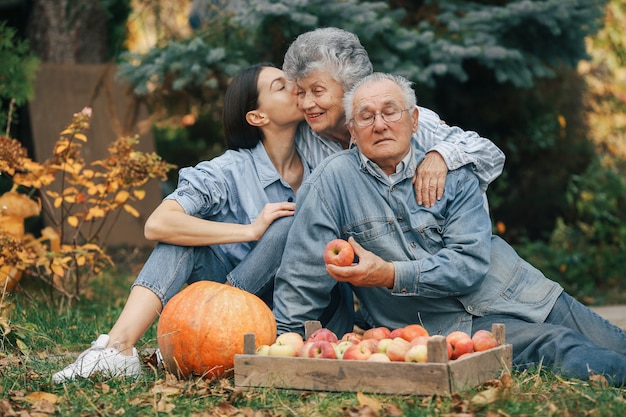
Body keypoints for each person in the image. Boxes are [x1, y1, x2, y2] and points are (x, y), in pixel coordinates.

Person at [272, 72, 626, 386]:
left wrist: (389, 274)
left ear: (413, 120)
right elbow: (303, 272)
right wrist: (278, 348)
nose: (379, 124)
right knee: (559, 346)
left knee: (616, 345)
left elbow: (468, 265)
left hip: (518, 291)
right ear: (351, 129)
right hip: (446, 330)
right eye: (366, 116)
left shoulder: (450, 169)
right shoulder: (332, 181)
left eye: (390, 111)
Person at [52, 64, 309, 382]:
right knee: (179, 237)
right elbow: (157, 224)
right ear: (257, 117)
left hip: (288, 319)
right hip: (232, 313)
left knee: (287, 226)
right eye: (280, 86)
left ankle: (196, 336)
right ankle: (117, 348)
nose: (296, 87)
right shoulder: (227, 171)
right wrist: (250, 230)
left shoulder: (322, 165)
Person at [284, 27, 506, 207]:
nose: (306, 104)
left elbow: (491, 156)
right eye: (301, 92)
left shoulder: (400, 119)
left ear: (351, 87)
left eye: (318, 91)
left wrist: (440, 156)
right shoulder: (302, 136)